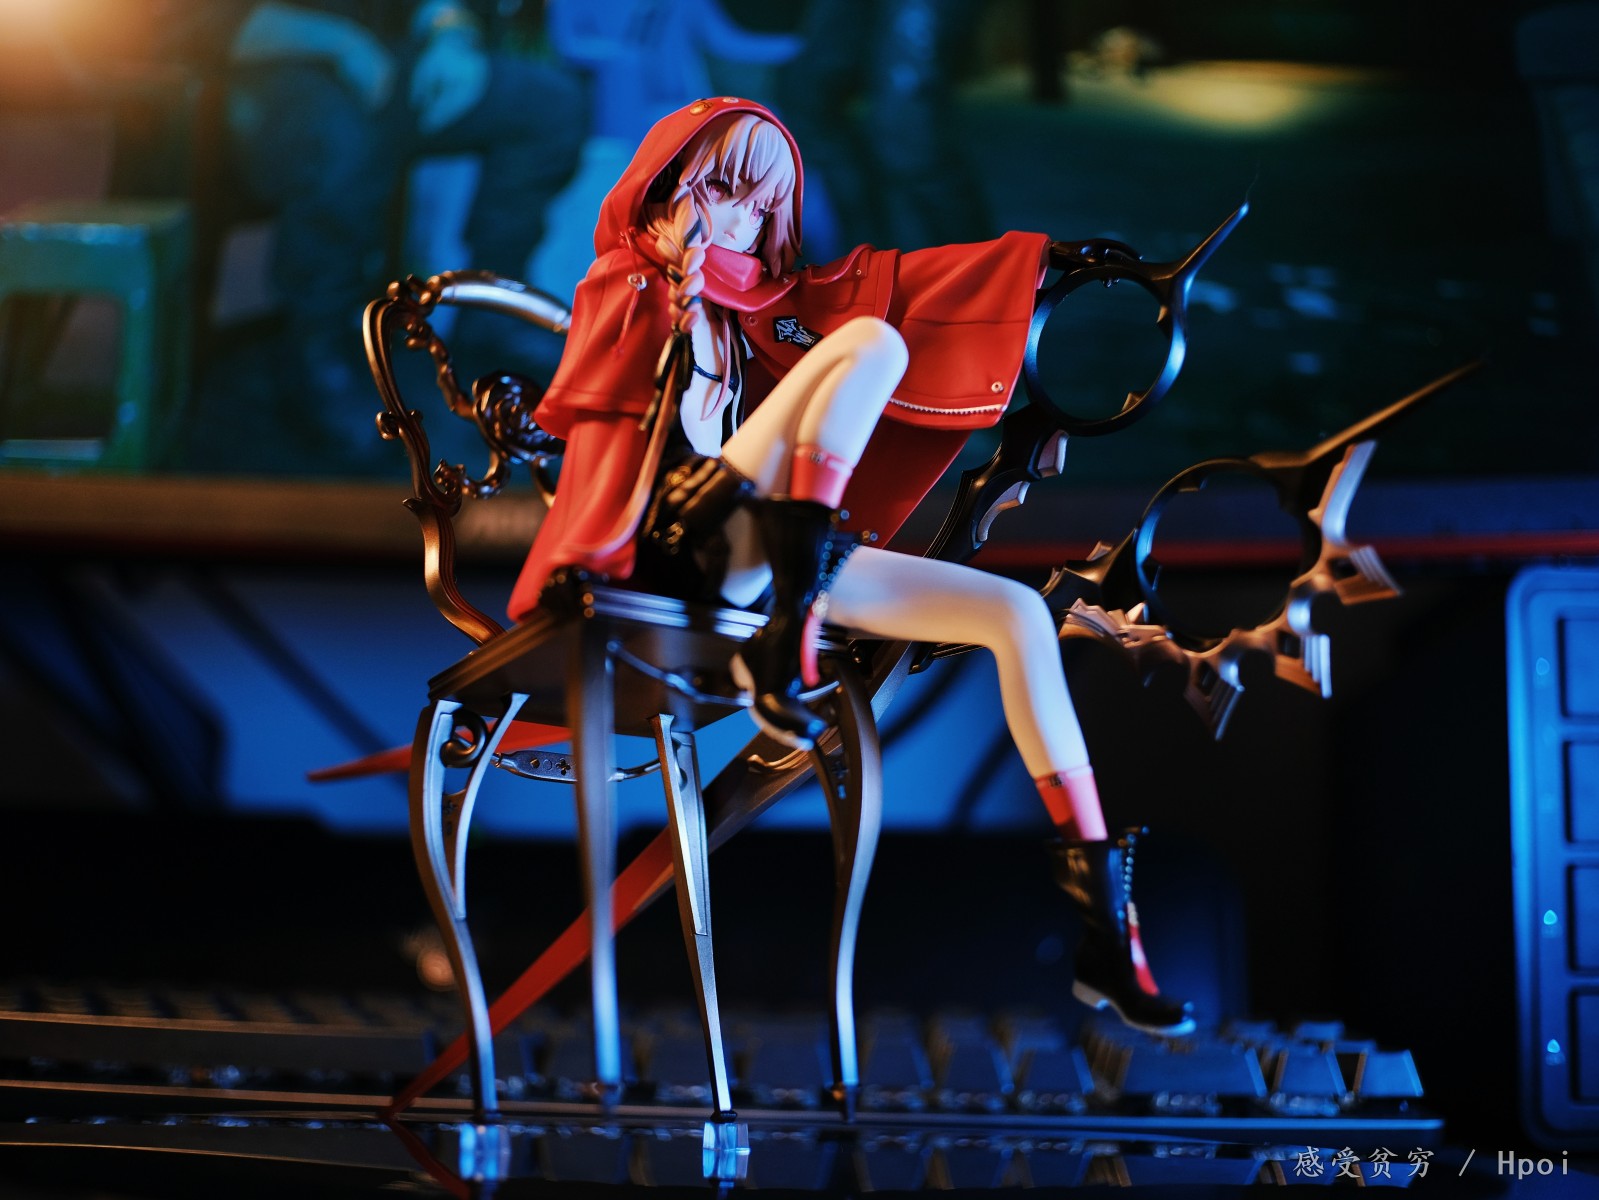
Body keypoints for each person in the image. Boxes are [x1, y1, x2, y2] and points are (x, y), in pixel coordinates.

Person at [506, 96, 1193, 1036]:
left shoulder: (760, 308)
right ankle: (790, 631)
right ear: (668, 184)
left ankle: (1104, 930)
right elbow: (602, 435)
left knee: (1016, 617)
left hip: (763, 553)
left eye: (762, 204)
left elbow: (894, 284)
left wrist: (1042, 270)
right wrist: (672, 293)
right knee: (871, 343)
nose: (741, 219)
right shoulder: (629, 285)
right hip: (669, 552)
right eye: (722, 189)